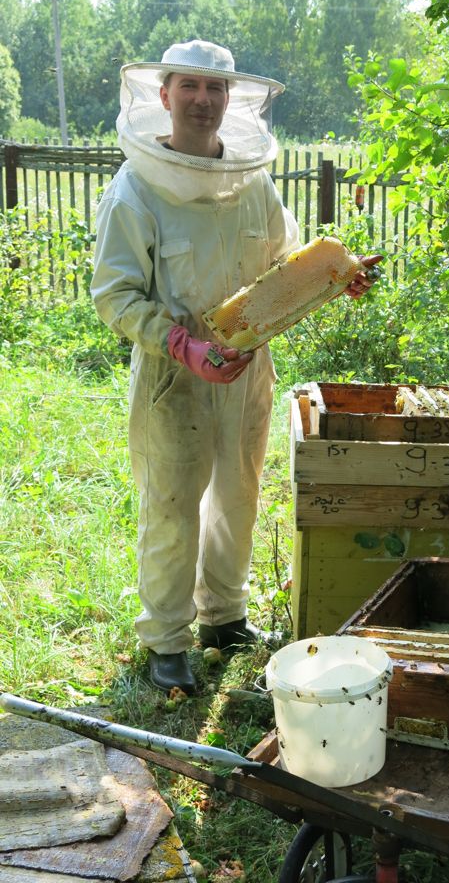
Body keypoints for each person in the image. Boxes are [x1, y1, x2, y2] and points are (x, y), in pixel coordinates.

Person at [91, 40, 380, 694]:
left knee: (238, 495)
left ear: (231, 100)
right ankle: (167, 640)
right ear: (162, 95)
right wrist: (183, 345)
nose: (202, 100)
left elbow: (287, 262)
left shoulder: (254, 182)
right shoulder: (135, 189)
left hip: (247, 365)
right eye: (189, 87)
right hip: (176, 372)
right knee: (172, 505)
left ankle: (224, 619)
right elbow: (113, 294)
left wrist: (338, 275)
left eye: (214, 88)